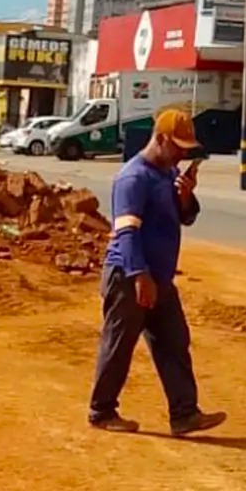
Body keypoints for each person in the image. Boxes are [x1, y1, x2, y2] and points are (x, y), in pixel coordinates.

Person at [88, 108, 227, 437]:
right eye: (177, 146)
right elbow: (126, 232)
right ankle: (101, 411)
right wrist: (140, 276)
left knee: (174, 343)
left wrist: (185, 196)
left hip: (160, 278)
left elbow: (183, 217)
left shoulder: (167, 174)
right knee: (119, 345)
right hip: (130, 276)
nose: (182, 153)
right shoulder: (133, 178)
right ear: (160, 138)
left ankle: (184, 414)